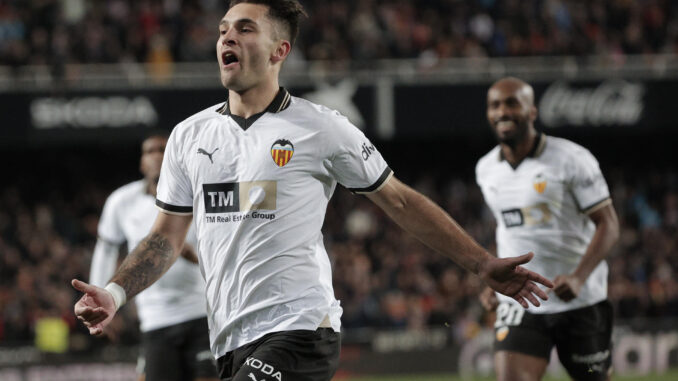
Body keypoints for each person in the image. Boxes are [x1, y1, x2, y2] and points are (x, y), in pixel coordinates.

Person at [72, 2, 553, 380]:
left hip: (301, 327)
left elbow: (400, 201)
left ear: (279, 51)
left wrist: (481, 263)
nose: (226, 37)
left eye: (243, 28)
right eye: (222, 30)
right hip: (229, 337)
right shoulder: (188, 136)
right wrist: (115, 292)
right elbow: (165, 238)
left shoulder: (321, 128)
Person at [476, 77, 620, 381]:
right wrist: (495, 279)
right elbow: (508, 228)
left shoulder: (572, 159)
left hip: (580, 300)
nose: (502, 111)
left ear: (532, 112)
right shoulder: (486, 169)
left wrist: (580, 276)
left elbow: (608, 224)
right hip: (521, 300)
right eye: (495, 105)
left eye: (512, 103)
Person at [88, 133, 218, 381]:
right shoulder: (121, 202)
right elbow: (105, 250)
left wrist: (198, 257)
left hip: (203, 314)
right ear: (142, 162)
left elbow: (222, 248)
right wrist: (98, 299)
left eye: (163, 149)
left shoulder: (199, 195)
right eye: (150, 150)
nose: (157, 155)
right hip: (155, 320)